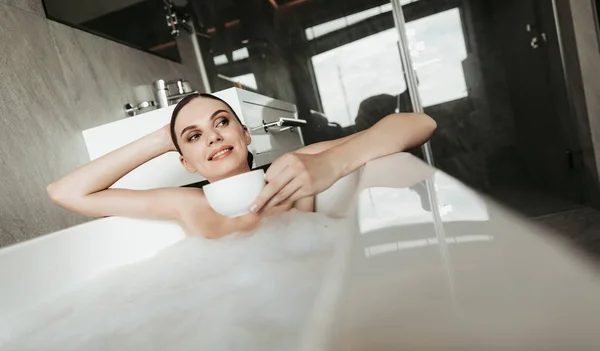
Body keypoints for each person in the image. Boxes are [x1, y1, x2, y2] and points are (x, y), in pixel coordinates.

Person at [47, 93, 436, 239]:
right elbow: (65, 193)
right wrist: (159, 138)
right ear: (183, 161)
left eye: (221, 122)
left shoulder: (292, 171)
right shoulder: (187, 205)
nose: (213, 137)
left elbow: (419, 124)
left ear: (245, 134)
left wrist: (332, 164)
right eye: (194, 136)